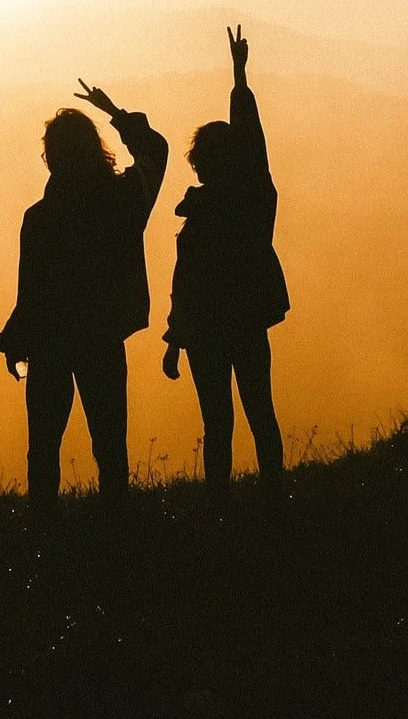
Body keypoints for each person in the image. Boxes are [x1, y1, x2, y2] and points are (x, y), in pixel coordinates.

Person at [0, 81, 168, 508]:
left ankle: (42, 529)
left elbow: (31, 291)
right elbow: (156, 152)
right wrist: (114, 111)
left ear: (51, 158)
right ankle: (115, 527)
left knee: (43, 449)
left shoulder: (39, 217)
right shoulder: (125, 199)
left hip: (50, 343)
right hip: (103, 336)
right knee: (110, 445)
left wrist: (14, 339)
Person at [162, 26, 289, 502]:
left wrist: (176, 339)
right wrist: (238, 78)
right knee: (259, 410)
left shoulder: (210, 210)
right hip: (245, 321)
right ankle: (273, 496)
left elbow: (185, 285)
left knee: (218, 421)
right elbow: (254, 144)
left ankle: (220, 504)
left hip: (206, 332)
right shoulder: (254, 199)